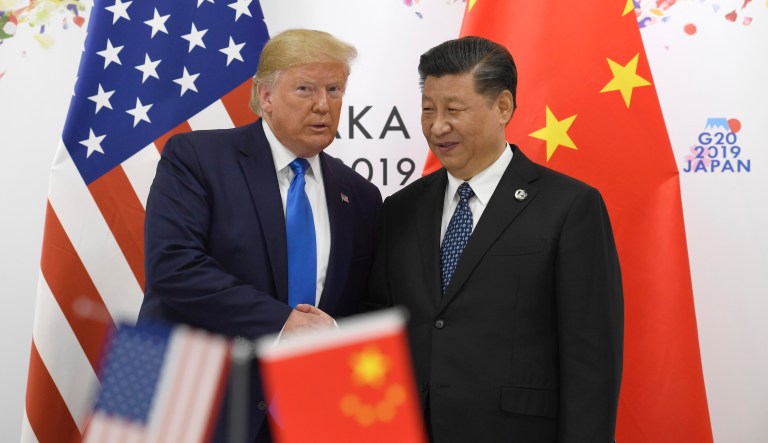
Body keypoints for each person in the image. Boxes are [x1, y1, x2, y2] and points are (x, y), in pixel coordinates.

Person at [364, 36, 623, 442]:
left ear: (502, 107)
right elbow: (378, 331)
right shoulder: (401, 208)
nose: (437, 126)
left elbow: (591, 361)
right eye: (428, 110)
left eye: (454, 110)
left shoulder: (570, 207)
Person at [137, 29, 382, 443]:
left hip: (307, 412)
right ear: (265, 96)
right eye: (305, 88)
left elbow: (361, 304)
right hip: (190, 400)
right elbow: (172, 267)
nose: (324, 104)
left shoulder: (360, 195)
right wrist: (283, 323)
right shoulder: (196, 157)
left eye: (335, 89)